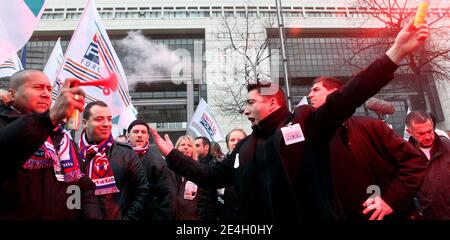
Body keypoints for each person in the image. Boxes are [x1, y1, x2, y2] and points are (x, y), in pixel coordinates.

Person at [151, 23, 430, 220]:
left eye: (251, 101)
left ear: (272, 102)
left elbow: (349, 95)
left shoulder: (306, 123)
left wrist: (394, 54)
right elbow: (210, 177)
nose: (245, 108)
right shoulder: (243, 148)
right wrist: (173, 155)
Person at [308, 76, 427, 220]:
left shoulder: (372, 127)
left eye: (316, 90)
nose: (310, 95)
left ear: (335, 93)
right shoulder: (311, 138)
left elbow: (414, 162)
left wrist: (391, 200)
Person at [0, 70, 101, 219]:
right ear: (13, 94)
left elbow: (78, 186)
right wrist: (50, 117)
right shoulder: (4, 126)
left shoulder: (62, 138)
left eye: (49, 89)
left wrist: (83, 215)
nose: (46, 94)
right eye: (38, 87)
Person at [79, 101, 149, 220]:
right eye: (100, 119)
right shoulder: (72, 154)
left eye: (109, 119)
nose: (107, 124)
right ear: (85, 123)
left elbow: (142, 191)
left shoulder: (126, 154)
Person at [405, 110, 450, 219]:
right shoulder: (404, 155)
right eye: (421, 133)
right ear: (409, 132)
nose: (428, 137)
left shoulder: (447, 146)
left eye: (430, 131)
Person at [159, 135, 214, 220]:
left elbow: (206, 202)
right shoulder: (167, 170)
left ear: (193, 150)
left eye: (189, 145)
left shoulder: (199, 171)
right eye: (183, 145)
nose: (185, 147)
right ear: (176, 148)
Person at [127, 119, 170, 220]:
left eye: (143, 132)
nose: (140, 135)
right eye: (136, 131)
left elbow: (167, 196)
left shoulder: (157, 160)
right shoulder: (118, 157)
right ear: (128, 136)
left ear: (147, 137)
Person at [220, 129, 247, 220]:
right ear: (227, 144)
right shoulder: (221, 165)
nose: (235, 143)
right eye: (232, 140)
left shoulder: (252, 162)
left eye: (240, 140)